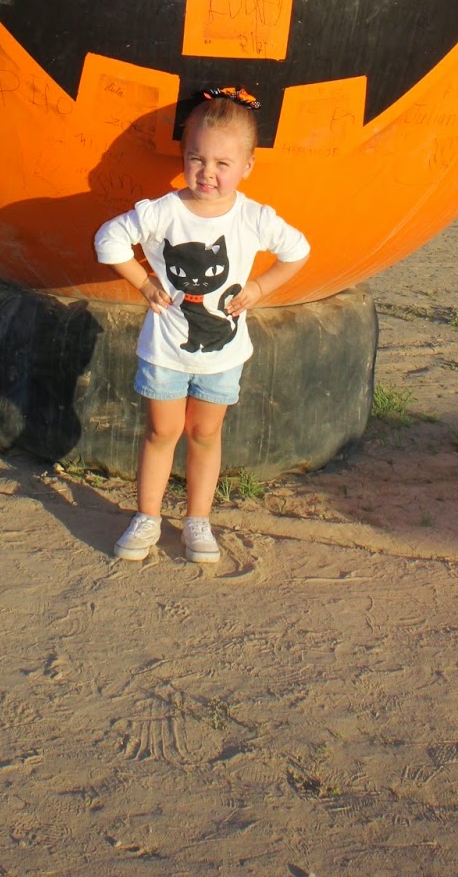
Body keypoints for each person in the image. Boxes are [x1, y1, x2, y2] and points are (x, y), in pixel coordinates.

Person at [94, 87, 310, 564]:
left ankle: (197, 520)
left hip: (223, 357)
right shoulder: (163, 212)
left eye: (222, 164)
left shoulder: (252, 218)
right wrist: (143, 281)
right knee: (161, 432)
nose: (207, 173)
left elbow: (297, 250)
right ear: (184, 157)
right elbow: (109, 240)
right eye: (197, 159)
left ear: (248, 166)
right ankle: (147, 517)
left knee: (206, 434)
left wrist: (259, 288)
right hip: (166, 352)